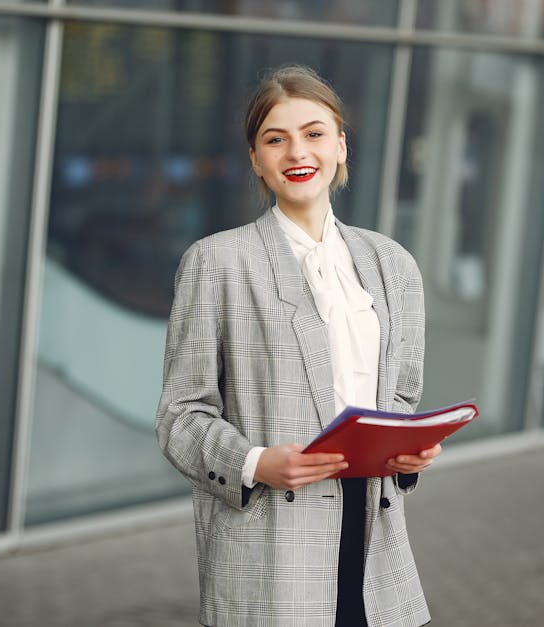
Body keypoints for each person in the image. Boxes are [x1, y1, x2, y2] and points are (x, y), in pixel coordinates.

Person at [155, 64, 439, 627]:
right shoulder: (216, 264)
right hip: (272, 549)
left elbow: (402, 396)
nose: (296, 152)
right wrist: (257, 463)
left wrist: (410, 453)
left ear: (339, 145)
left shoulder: (392, 265)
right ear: (257, 160)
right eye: (274, 138)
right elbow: (180, 418)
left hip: (376, 546)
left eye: (313, 133)